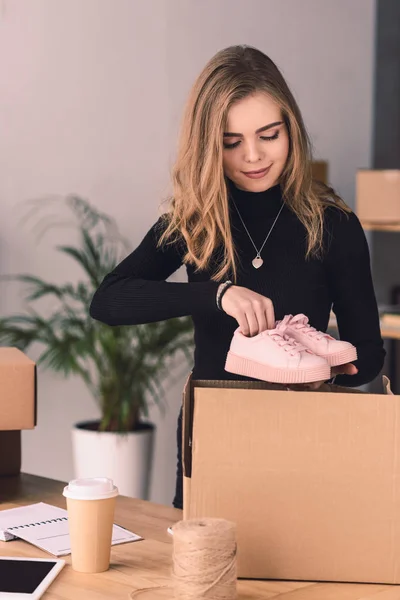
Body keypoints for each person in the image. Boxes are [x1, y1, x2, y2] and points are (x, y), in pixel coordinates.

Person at [89, 45, 385, 510]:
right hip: (215, 430)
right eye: (231, 142)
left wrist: (329, 369)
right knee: (205, 574)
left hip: (307, 436)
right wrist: (216, 294)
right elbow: (107, 301)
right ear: (209, 144)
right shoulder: (196, 221)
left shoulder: (333, 223)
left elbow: (368, 351)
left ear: (291, 128)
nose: (253, 156)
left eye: (269, 135)